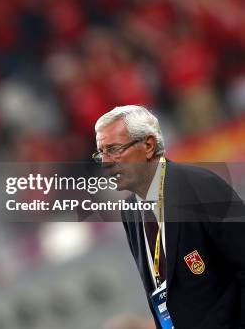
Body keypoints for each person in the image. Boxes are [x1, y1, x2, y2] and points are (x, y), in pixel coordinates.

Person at [94, 105, 245, 329]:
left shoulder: (200, 186)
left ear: (148, 145)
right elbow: (159, 292)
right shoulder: (130, 212)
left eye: (114, 149)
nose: (106, 163)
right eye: (101, 153)